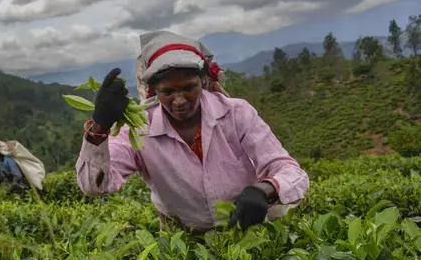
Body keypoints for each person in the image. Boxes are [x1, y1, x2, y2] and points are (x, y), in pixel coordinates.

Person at [75, 30, 310, 233]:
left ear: (203, 83)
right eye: (168, 91)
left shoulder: (236, 113)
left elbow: (290, 171)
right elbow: (93, 187)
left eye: (189, 88)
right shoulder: (139, 130)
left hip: (249, 229)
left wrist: (264, 190)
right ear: (153, 90)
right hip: (185, 241)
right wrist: (100, 127)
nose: (179, 101)